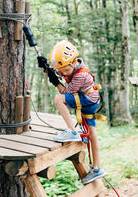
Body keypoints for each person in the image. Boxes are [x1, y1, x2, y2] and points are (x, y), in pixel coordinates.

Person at [37, 40, 107, 184]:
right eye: (61, 70)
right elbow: (61, 70)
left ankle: (72, 132)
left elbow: (66, 92)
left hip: (87, 100)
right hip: (91, 100)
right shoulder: (72, 66)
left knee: (58, 99)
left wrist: (55, 81)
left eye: (66, 70)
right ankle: (97, 168)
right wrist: (49, 69)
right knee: (92, 134)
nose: (63, 73)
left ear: (74, 62)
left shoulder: (81, 75)